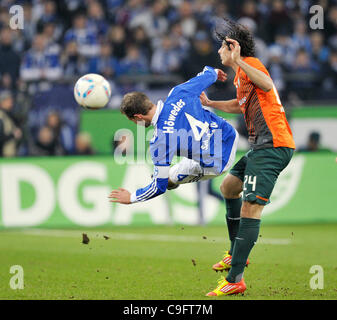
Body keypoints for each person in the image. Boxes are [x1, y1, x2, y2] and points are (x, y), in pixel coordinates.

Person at [199, 18, 295, 296]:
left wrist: (241, 60)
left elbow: (266, 83)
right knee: (228, 188)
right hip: (259, 146)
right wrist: (211, 104)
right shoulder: (242, 77)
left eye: (222, 48)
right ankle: (235, 252)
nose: (219, 52)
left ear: (233, 48)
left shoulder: (251, 65)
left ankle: (235, 278)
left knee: (250, 208)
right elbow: (238, 105)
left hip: (273, 145)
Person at [109, 65, 239, 224]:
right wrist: (216, 73)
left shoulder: (159, 141)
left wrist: (131, 197)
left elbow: (159, 188)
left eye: (133, 121)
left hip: (219, 162)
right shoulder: (178, 93)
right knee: (174, 172)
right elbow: (208, 73)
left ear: (137, 117)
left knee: (168, 178)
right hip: (230, 135)